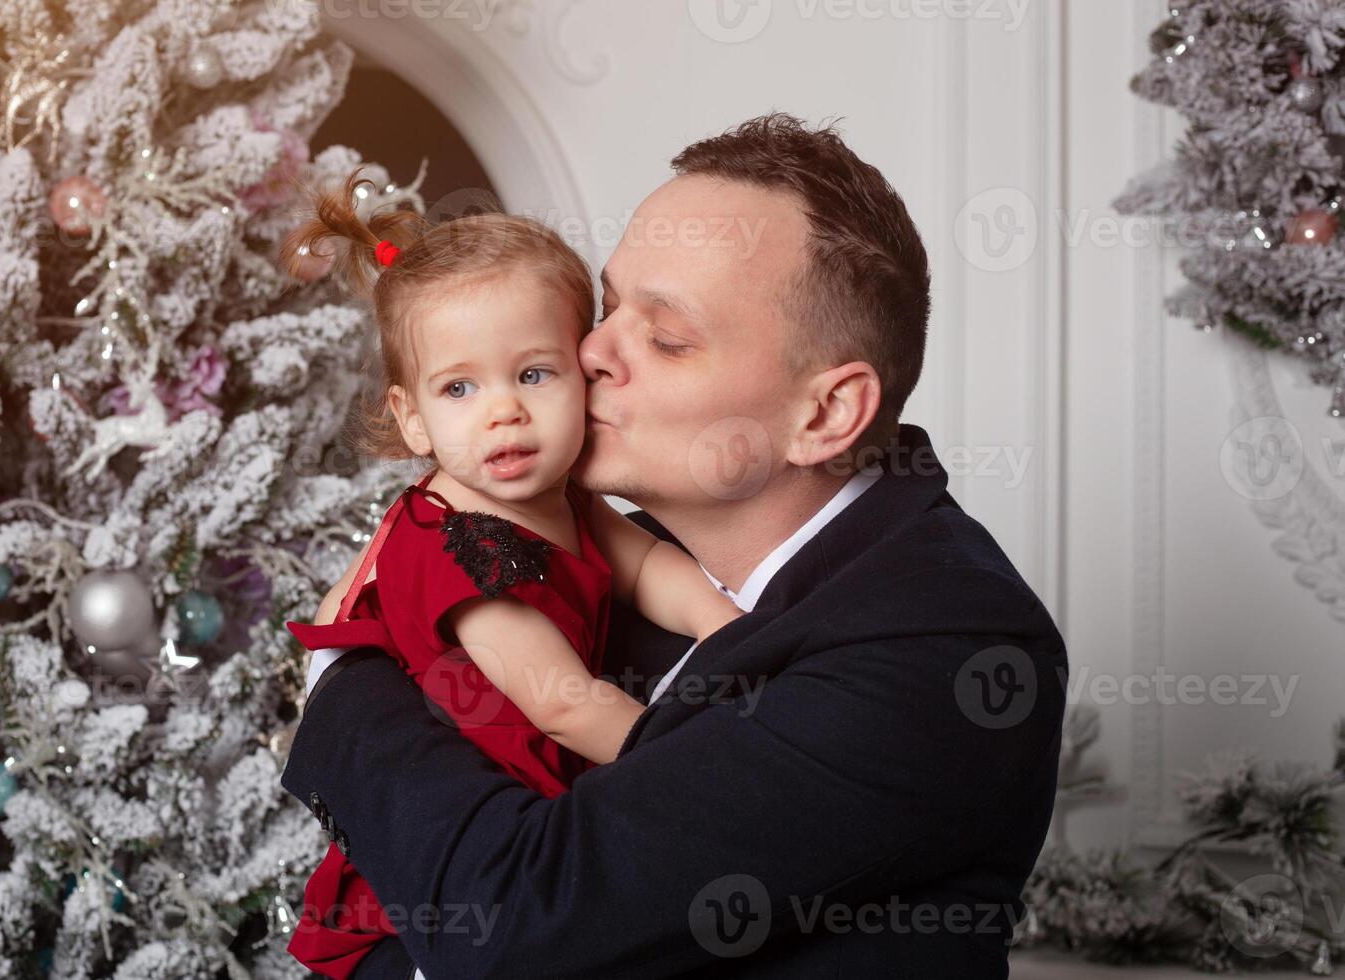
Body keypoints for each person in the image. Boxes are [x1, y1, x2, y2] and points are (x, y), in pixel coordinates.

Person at [282, 113, 1067, 978]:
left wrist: (343, 680)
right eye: (608, 307)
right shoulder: (602, 554)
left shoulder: (940, 646)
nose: (588, 353)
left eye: (663, 336)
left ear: (824, 414)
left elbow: (519, 927)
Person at [276, 171, 741, 978]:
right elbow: (563, 705)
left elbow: (643, 565)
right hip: (447, 874)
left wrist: (729, 627)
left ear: (582, 374)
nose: (504, 411)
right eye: (459, 388)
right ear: (411, 416)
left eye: (533, 374)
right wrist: (691, 768)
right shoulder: (456, 545)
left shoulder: (550, 493)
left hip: (537, 804)